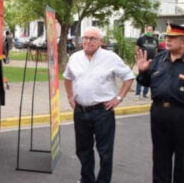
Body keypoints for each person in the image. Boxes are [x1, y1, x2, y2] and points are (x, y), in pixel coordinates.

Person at [63, 27, 134, 183]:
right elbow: (67, 78)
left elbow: (128, 77)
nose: (88, 41)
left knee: (105, 152)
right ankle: (87, 179)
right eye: (85, 38)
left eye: (92, 38)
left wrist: (119, 98)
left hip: (102, 111)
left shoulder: (111, 58)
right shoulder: (75, 57)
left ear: (100, 42)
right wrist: (69, 96)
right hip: (80, 111)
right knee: (82, 150)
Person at [136, 23, 184, 183]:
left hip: (181, 113)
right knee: (160, 157)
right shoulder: (158, 59)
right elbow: (146, 82)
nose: (167, 40)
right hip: (158, 113)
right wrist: (142, 72)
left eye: (173, 38)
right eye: (166, 37)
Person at [135, 25, 159, 99]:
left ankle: (145, 93)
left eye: (150, 30)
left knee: (150, 77)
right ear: (146, 30)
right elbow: (136, 49)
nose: (149, 31)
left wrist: (156, 59)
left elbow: (156, 50)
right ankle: (137, 94)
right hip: (143, 62)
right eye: (148, 30)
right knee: (141, 76)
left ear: (153, 31)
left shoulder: (155, 40)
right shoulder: (141, 39)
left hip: (152, 62)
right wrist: (138, 58)